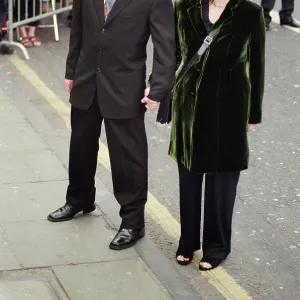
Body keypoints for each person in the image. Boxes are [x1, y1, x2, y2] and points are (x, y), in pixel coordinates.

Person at [47, 0, 176, 251]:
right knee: (80, 146)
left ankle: (132, 222)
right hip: (86, 81)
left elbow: (165, 45)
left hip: (125, 88)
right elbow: (78, 31)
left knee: (128, 157)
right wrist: (71, 70)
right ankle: (79, 199)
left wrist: (159, 88)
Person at [169, 0, 265, 271]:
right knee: (189, 176)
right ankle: (188, 241)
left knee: (222, 180)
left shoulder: (250, 12)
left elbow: (257, 63)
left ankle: (217, 247)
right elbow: (174, 52)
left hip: (230, 106)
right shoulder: (185, 6)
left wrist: (253, 112)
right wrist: (156, 86)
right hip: (189, 105)